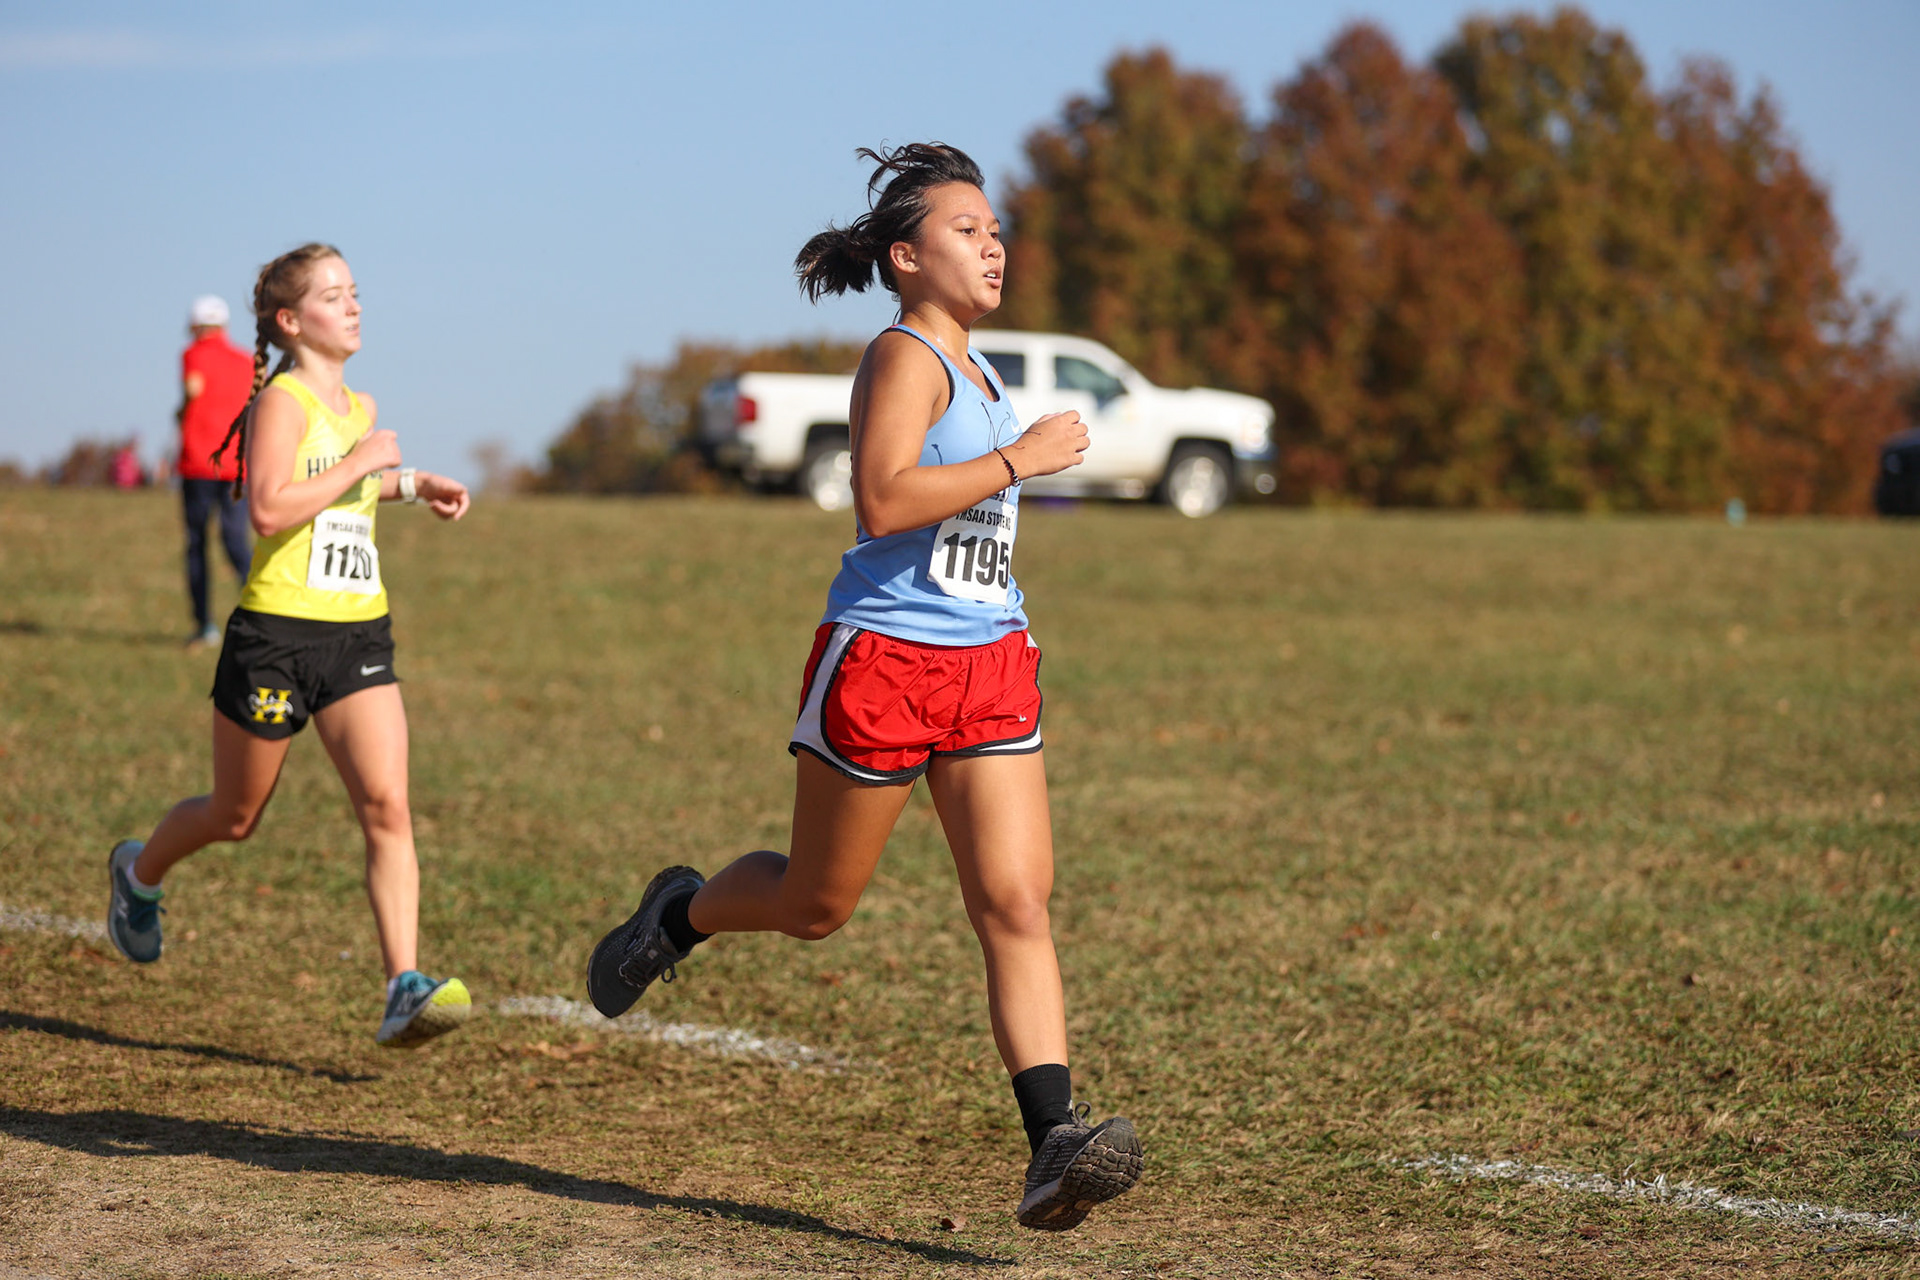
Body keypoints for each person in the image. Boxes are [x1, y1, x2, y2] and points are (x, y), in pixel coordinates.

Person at [587, 144, 1144, 1229]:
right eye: (966, 230)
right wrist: (1020, 461)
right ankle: (681, 910)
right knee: (815, 904)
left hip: (988, 659)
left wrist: (1011, 458)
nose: (994, 244)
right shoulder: (903, 358)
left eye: (996, 229)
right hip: (885, 661)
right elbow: (885, 501)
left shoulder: (982, 369)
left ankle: (1053, 1144)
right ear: (905, 255)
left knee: (1016, 901)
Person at [106, 243, 475, 1049]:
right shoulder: (281, 402)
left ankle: (402, 984)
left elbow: (347, 489)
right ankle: (139, 875)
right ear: (289, 320)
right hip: (274, 637)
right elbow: (270, 509)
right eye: (334, 296)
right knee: (235, 816)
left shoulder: (360, 406)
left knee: (387, 807)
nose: (354, 307)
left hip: (356, 633)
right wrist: (364, 462)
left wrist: (411, 483)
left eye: (355, 293)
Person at [177, 296, 257, 646]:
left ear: (196, 326)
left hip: (198, 462)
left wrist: (181, 412)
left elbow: (193, 388)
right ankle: (261, 612)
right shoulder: (246, 360)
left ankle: (205, 625)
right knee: (236, 540)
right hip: (235, 464)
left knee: (197, 543)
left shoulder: (193, 353)